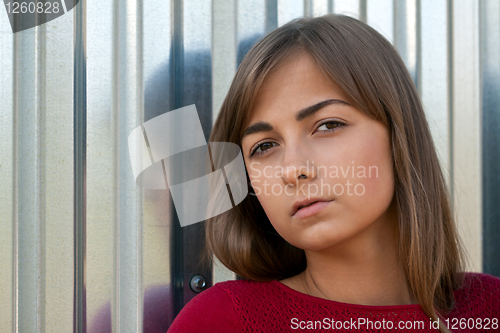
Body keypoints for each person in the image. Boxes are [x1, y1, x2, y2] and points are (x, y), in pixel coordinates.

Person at [167, 14, 500, 333]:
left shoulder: (491, 308)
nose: (293, 169)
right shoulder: (223, 321)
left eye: (328, 125)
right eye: (264, 147)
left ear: (399, 134)